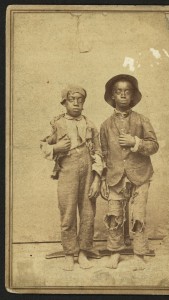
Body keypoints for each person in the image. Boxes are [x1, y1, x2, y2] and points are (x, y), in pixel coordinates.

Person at [40, 85, 103, 271]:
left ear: (84, 102)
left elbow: (98, 151)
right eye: (71, 99)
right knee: (67, 213)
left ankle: (83, 252)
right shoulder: (57, 124)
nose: (76, 103)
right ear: (64, 102)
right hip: (67, 169)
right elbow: (43, 144)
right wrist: (56, 148)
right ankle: (69, 254)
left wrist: (97, 178)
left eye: (80, 99)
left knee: (88, 212)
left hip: (88, 169)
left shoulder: (90, 124)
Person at [100, 74, 159, 269]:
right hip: (115, 177)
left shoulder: (142, 120)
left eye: (127, 91)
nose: (123, 95)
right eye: (118, 91)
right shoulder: (105, 125)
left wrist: (136, 142)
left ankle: (140, 254)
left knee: (138, 215)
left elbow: (154, 146)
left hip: (140, 175)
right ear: (112, 96)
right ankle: (115, 252)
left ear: (133, 96)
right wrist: (102, 180)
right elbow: (103, 154)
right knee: (114, 215)